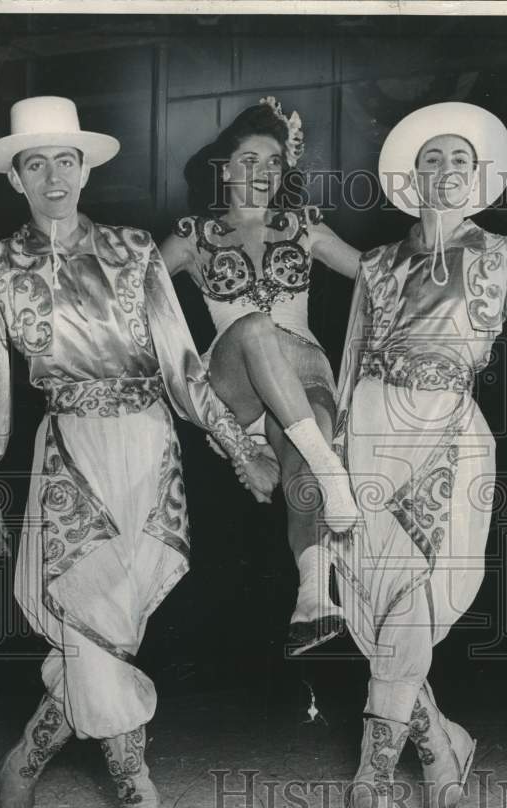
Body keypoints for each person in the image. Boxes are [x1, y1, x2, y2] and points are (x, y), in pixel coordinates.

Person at [0, 96, 278, 808]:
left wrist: (236, 446)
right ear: (17, 178)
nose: (53, 176)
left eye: (66, 160)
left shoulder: (133, 251)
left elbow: (183, 367)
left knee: (104, 638)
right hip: (72, 456)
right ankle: (136, 790)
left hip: (150, 453)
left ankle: (23, 760)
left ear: (85, 168)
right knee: (88, 629)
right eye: (35, 163)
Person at [332, 102, 507, 808]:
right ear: (413, 177)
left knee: (416, 599)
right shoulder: (377, 265)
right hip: (371, 433)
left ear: (478, 179)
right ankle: (442, 742)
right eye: (432, 160)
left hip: (449, 432)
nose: (445, 172)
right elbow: (351, 363)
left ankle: (369, 785)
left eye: (458, 162)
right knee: (373, 610)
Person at [160, 98, 361, 655]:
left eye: (273, 162)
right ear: (223, 169)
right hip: (235, 381)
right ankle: (329, 464)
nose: (262, 173)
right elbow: (133, 295)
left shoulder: (304, 226)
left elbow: (378, 276)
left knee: (301, 477)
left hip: (303, 376)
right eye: (248, 160)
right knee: (253, 327)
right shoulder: (192, 234)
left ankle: (313, 598)